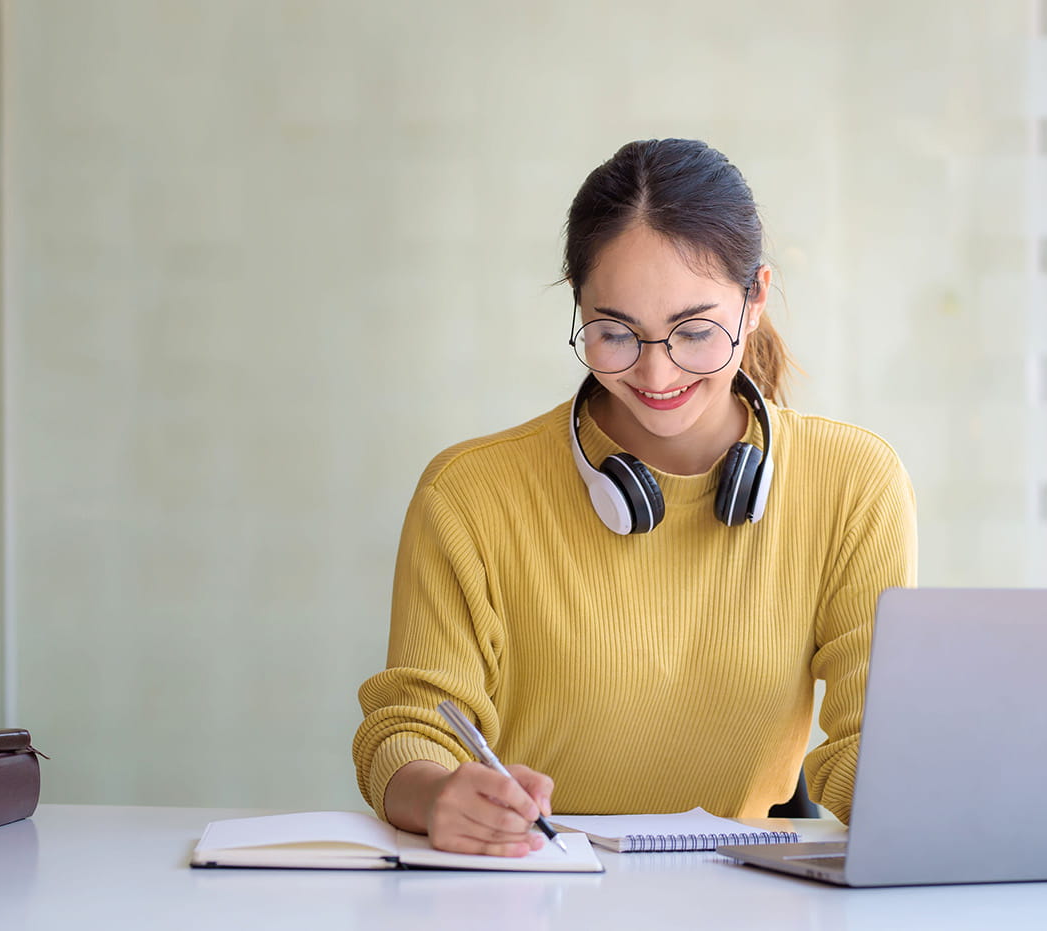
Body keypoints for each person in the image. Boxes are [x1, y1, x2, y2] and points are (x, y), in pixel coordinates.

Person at [352, 138, 917, 857]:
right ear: (579, 305)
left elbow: (871, 743)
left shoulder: (853, 483)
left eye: (695, 330)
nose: (656, 372)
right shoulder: (469, 494)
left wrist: (939, 797)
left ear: (757, 297)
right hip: (531, 880)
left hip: (742, 895)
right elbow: (408, 725)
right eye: (615, 332)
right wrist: (436, 795)